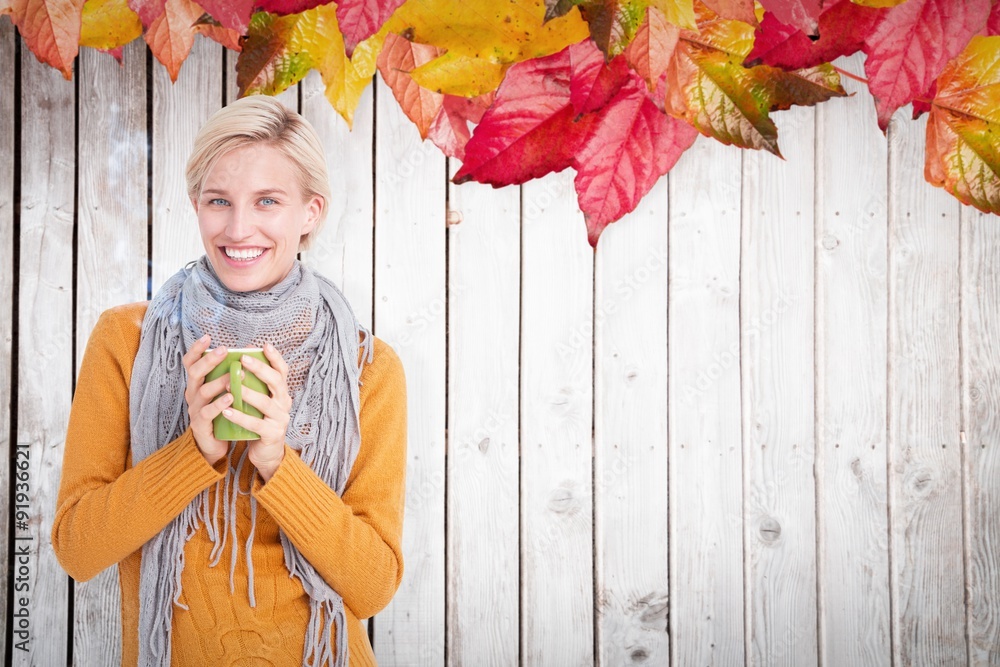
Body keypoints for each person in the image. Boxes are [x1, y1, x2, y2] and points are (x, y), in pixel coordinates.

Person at [51, 95, 407, 666]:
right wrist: (193, 452)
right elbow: (78, 549)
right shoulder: (128, 341)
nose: (239, 228)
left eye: (268, 200)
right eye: (220, 200)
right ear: (196, 205)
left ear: (310, 212)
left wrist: (277, 463)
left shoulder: (366, 368)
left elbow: (374, 586)